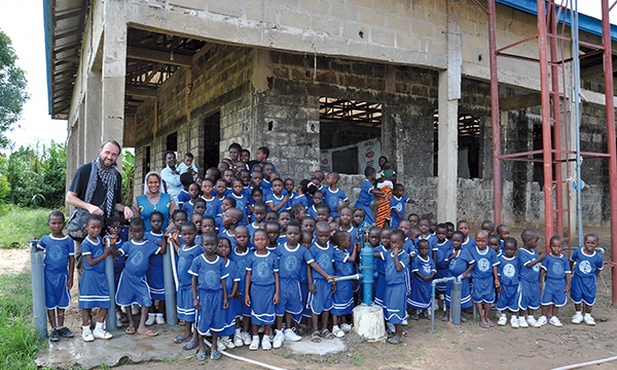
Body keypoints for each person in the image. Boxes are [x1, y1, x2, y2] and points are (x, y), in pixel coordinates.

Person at [66, 140, 133, 276]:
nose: (109, 157)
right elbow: (70, 198)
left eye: (114, 154)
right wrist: (89, 207)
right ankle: (84, 296)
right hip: (85, 229)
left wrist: (125, 208)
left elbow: (115, 204)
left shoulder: (117, 177)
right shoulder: (85, 170)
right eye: (107, 152)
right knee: (85, 268)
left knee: (104, 266)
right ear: (100, 151)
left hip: (105, 231)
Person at [273, 222, 330, 347]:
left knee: (290, 307)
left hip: (295, 283)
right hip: (282, 282)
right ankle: (278, 332)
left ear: (300, 235)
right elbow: (274, 266)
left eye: (296, 234)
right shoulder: (280, 248)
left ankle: (288, 330)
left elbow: (312, 264)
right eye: (290, 233)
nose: (292, 236)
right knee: (280, 307)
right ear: (285, 234)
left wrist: (326, 275)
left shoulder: (303, 250)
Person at [114, 217, 165, 336]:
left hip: (141, 278)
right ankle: (131, 323)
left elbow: (162, 251)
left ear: (144, 230)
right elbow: (118, 254)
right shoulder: (128, 245)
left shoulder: (149, 245)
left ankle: (142, 325)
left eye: (140, 231)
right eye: (135, 231)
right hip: (127, 277)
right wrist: (112, 247)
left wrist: (164, 242)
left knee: (146, 300)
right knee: (126, 300)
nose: (138, 234)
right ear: (130, 231)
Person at [189, 231, 228, 361]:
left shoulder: (220, 262)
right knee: (203, 322)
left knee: (216, 321)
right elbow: (194, 280)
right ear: (202, 245)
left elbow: (223, 280)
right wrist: (195, 298)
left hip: (217, 296)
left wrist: (225, 297)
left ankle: (214, 347)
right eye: (207, 244)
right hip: (203, 296)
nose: (210, 247)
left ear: (217, 245)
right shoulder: (197, 261)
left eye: (212, 244)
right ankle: (201, 347)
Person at [38, 211, 75, 342]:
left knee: (62, 302)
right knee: (50, 303)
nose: (57, 226)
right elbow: (36, 252)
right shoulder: (45, 240)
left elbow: (72, 259)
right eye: (54, 223)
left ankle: (60, 326)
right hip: (48, 276)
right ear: (48, 225)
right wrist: (32, 243)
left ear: (64, 224)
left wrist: (70, 276)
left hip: (62, 276)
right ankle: (53, 328)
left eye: (60, 223)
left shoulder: (68, 241)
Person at [77, 214, 114, 342]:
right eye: (93, 227)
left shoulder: (99, 239)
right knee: (86, 305)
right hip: (89, 277)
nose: (95, 230)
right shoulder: (86, 244)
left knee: (105, 302)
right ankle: (86, 330)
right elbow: (90, 262)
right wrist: (105, 254)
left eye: (98, 227)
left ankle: (99, 328)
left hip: (101, 277)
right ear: (86, 227)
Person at [245, 229, 280, 351]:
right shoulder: (251, 257)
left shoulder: (273, 257)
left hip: (269, 289)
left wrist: (277, 292)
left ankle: (266, 337)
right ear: (253, 241)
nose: (260, 242)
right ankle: (255, 337)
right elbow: (248, 275)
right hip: (255, 289)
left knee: (269, 313)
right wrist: (246, 294)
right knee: (255, 313)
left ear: (268, 240)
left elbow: (276, 275)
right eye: (257, 239)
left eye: (263, 239)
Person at [172, 222, 203, 349]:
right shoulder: (183, 247)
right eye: (184, 234)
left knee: (194, 313)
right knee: (186, 312)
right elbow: (179, 252)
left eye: (190, 234)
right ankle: (186, 332)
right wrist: (171, 241)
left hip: (192, 287)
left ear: (195, 234)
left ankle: (195, 337)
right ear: (180, 235)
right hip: (183, 286)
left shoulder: (197, 250)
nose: (187, 237)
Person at [307, 221, 336, 343]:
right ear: (316, 235)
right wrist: (310, 283)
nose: (323, 238)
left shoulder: (331, 248)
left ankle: (324, 328)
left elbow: (331, 265)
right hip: (317, 281)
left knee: (326, 306)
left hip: (328, 283)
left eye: (326, 235)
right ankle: (315, 330)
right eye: (320, 235)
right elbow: (310, 265)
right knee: (316, 307)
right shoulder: (313, 249)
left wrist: (333, 280)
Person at [468, 230, 500, 329]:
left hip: (489, 279)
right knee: (478, 298)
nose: (480, 243)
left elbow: (494, 266)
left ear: (487, 241)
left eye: (483, 241)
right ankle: (481, 317)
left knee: (488, 299)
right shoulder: (472, 251)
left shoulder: (491, 252)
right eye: (478, 241)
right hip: (477, 279)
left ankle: (486, 316)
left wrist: (496, 279)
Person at [536, 235, 571, 327]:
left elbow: (567, 272)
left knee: (557, 301)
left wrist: (568, 284)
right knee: (546, 300)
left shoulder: (564, 260)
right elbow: (543, 270)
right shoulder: (548, 258)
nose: (556, 249)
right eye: (554, 246)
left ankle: (554, 317)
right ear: (550, 246)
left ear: (562, 247)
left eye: (559, 247)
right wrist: (540, 281)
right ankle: (543, 316)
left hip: (560, 283)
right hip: (549, 282)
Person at [570, 233, 604, 325]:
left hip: (589, 280)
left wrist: (594, 278)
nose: (590, 245)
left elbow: (598, 269)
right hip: (578, 279)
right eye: (588, 242)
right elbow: (571, 261)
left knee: (589, 297)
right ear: (584, 243)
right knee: (577, 295)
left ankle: (588, 315)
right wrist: (571, 272)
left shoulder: (598, 257)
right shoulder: (578, 252)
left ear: (597, 245)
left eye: (593, 243)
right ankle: (578, 314)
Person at [383, 229, 410, 344]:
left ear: (403, 243)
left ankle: (399, 334)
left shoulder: (404, 255)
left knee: (396, 309)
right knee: (389, 308)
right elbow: (378, 254)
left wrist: (395, 256)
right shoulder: (388, 253)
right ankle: (398, 330)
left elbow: (399, 268)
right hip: (389, 286)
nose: (394, 245)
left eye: (396, 243)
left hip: (398, 287)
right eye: (392, 242)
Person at [330, 230, 357, 338]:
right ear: (341, 242)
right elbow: (352, 259)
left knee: (345, 302)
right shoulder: (338, 252)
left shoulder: (344, 250)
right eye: (349, 241)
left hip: (347, 281)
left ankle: (343, 323)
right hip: (340, 281)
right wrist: (355, 248)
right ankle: (335, 326)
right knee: (338, 303)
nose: (350, 242)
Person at [443, 231, 474, 322]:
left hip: (461, 278)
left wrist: (465, 273)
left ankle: (459, 314)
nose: (455, 243)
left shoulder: (465, 252)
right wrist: (451, 257)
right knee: (449, 295)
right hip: (450, 277)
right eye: (453, 240)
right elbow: (446, 265)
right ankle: (447, 313)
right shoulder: (449, 252)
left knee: (460, 296)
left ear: (462, 241)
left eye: (458, 241)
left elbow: (472, 263)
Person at [216, 237, 240, 351]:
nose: (223, 249)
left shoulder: (233, 264)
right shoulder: (214, 263)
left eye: (226, 247)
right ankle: (217, 339)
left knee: (228, 317)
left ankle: (226, 337)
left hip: (229, 297)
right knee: (218, 317)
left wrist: (232, 293)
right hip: (217, 297)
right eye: (220, 246)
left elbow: (236, 280)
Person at [517, 229, 545, 328]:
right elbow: (528, 265)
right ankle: (521, 317)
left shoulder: (534, 252)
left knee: (533, 298)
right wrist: (539, 259)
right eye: (535, 241)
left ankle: (530, 316)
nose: (537, 243)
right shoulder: (522, 252)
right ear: (528, 241)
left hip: (534, 280)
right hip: (525, 280)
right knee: (524, 297)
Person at [145, 211, 167, 326]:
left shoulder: (165, 235)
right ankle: (151, 313)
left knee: (163, 291)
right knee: (150, 291)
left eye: (159, 221)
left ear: (163, 222)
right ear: (150, 222)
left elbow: (164, 249)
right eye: (154, 221)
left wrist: (163, 241)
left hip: (162, 268)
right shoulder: (146, 236)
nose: (156, 223)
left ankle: (160, 313)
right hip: (150, 268)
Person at [408, 239, 436, 319]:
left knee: (426, 296)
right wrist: (423, 277)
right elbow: (415, 270)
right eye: (422, 249)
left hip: (428, 283)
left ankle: (425, 311)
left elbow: (433, 269)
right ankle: (416, 312)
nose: (424, 251)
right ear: (418, 249)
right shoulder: (417, 259)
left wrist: (430, 276)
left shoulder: (430, 259)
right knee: (418, 297)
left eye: (426, 249)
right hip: (419, 282)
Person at [496, 237, 520, 328]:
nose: (509, 251)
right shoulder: (501, 260)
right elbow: (498, 273)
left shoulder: (517, 261)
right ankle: (503, 316)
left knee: (514, 300)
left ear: (515, 249)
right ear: (503, 248)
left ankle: (514, 317)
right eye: (507, 249)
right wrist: (498, 283)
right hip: (504, 284)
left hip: (514, 284)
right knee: (502, 300)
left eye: (512, 249)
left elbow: (518, 273)